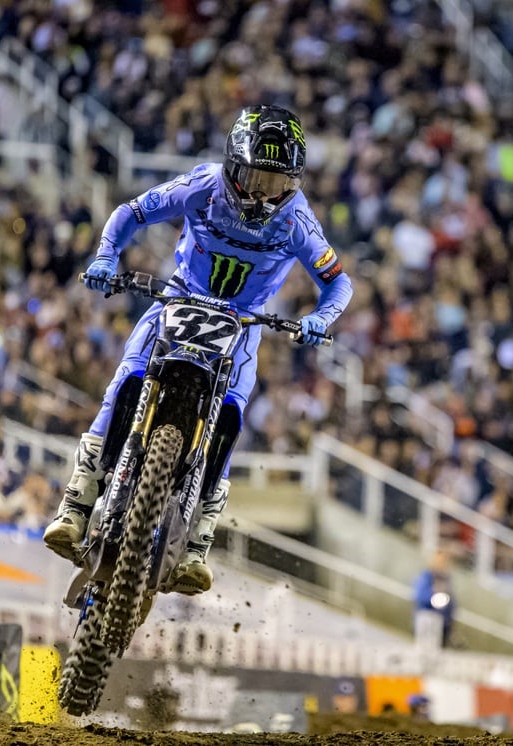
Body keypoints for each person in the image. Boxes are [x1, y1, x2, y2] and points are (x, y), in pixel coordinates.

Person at [43, 106, 353, 596]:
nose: (261, 194)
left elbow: (339, 284)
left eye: (275, 184)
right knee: (125, 381)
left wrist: (320, 320)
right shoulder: (204, 186)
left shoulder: (298, 220)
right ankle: (77, 502)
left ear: (293, 183)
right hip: (179, 298)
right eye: (252, 177)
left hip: (242, 323)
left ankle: (197, 545)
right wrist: (105, 255)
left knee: (230, 413)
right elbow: (132, 212)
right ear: (231, 165)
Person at [413, 550, 455, 648]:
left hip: (442, 620)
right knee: (424, 646)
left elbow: (451, 601)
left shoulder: (446, 579)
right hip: (426, 615)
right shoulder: (427, 576)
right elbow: (420, 595)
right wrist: (434, 597)